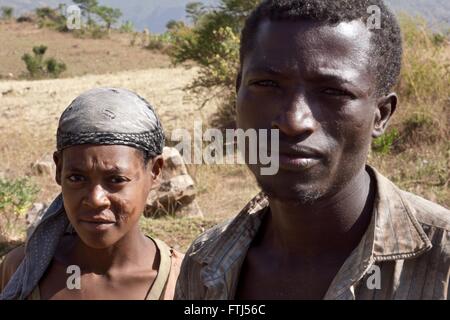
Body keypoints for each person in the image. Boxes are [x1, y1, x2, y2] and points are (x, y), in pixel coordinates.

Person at [175, 0, 450, 300]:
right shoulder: (205, 264)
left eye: (333, 92)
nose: (293, 122)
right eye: (267, 84)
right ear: (238, 90)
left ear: (381, 115)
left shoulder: (442, 265)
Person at [0, 87, 183, 300]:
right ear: (59, 170)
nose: (96, 200)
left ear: (155, 171)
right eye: (77, 178)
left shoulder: (184, 281)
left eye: (116, 180)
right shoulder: (21, 272)